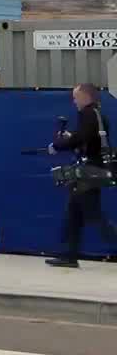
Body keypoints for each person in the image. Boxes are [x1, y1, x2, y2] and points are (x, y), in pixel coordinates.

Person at [45, 83, 117, 268]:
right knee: (74, 213)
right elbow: (87, 138)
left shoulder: (87, 114)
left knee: (94, 215)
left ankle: (69, 255)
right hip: (95, 169)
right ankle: (69, 255)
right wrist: (71, 137)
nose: (74, 101)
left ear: (86, 97)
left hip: (88, 172)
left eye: (76, 97)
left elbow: (80, 138)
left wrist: (58, 145)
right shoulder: (99, 115)